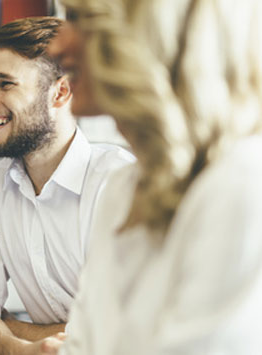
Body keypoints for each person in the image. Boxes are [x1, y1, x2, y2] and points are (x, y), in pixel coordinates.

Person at [22, 0, 262, 354]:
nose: (56, 47)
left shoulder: (241, 187)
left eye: (77, 18)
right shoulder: (125, 187)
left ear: (147, 33)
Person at [0, 17, 134, 354]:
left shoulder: (117, 183)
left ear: (60, 92)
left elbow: (121, 332)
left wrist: (14, 327)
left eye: (5, 84)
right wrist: (16, 348)